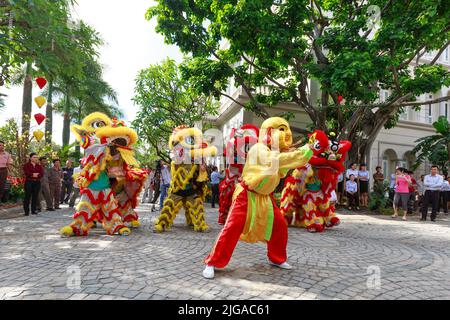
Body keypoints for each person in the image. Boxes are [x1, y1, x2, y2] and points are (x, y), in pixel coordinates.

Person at [203, 117, 313, 279]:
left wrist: (300, 153)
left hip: (265, 197)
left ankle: (277, 258)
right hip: (246, 194)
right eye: (281, 130)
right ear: (269, 132)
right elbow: (273, 161)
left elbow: (281, 170)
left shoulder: (275, 152)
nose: (286, 134)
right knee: (232, 227)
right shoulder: (259, 149)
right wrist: (304, 150)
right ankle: (212, 262)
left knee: (280, 225)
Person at [0, 140, 13, 205]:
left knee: (2, 185)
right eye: (0, 145)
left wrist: (10, 172)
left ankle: (0, 200)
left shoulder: (7, 154)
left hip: (3, 170)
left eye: (2, 145)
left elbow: (9, 164)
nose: (1, 146)